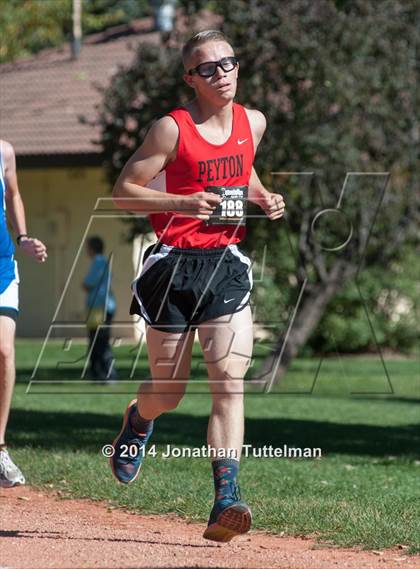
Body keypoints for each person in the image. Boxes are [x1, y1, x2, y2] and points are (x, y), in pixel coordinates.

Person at [110, 30, 285, 542]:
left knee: (229, 381)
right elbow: (123, 193)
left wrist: (263, 195)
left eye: (228, 63)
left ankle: (225, 500)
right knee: (170, 390)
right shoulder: (170, 129)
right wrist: (181, 204)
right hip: (171, 266)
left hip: (225, 264)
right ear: (191, 78)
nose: (222, 74)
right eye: (208, 68)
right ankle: (138, 420)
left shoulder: (254, 121)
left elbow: (241, 171)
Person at [0, 139, 47, 488]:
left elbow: (13, 194)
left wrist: (23, 237)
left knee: (3, 351)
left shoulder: (4, 151)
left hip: (1, 267)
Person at [83, 236, 117, 382]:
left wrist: (85, 284)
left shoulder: (98, 262)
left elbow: (88, 283)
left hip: (100, 308)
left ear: (92, 248)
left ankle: (108, 374)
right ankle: (98, 374)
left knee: (99, 341)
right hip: (102, 307)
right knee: (97, 341)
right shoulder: (103, 262)